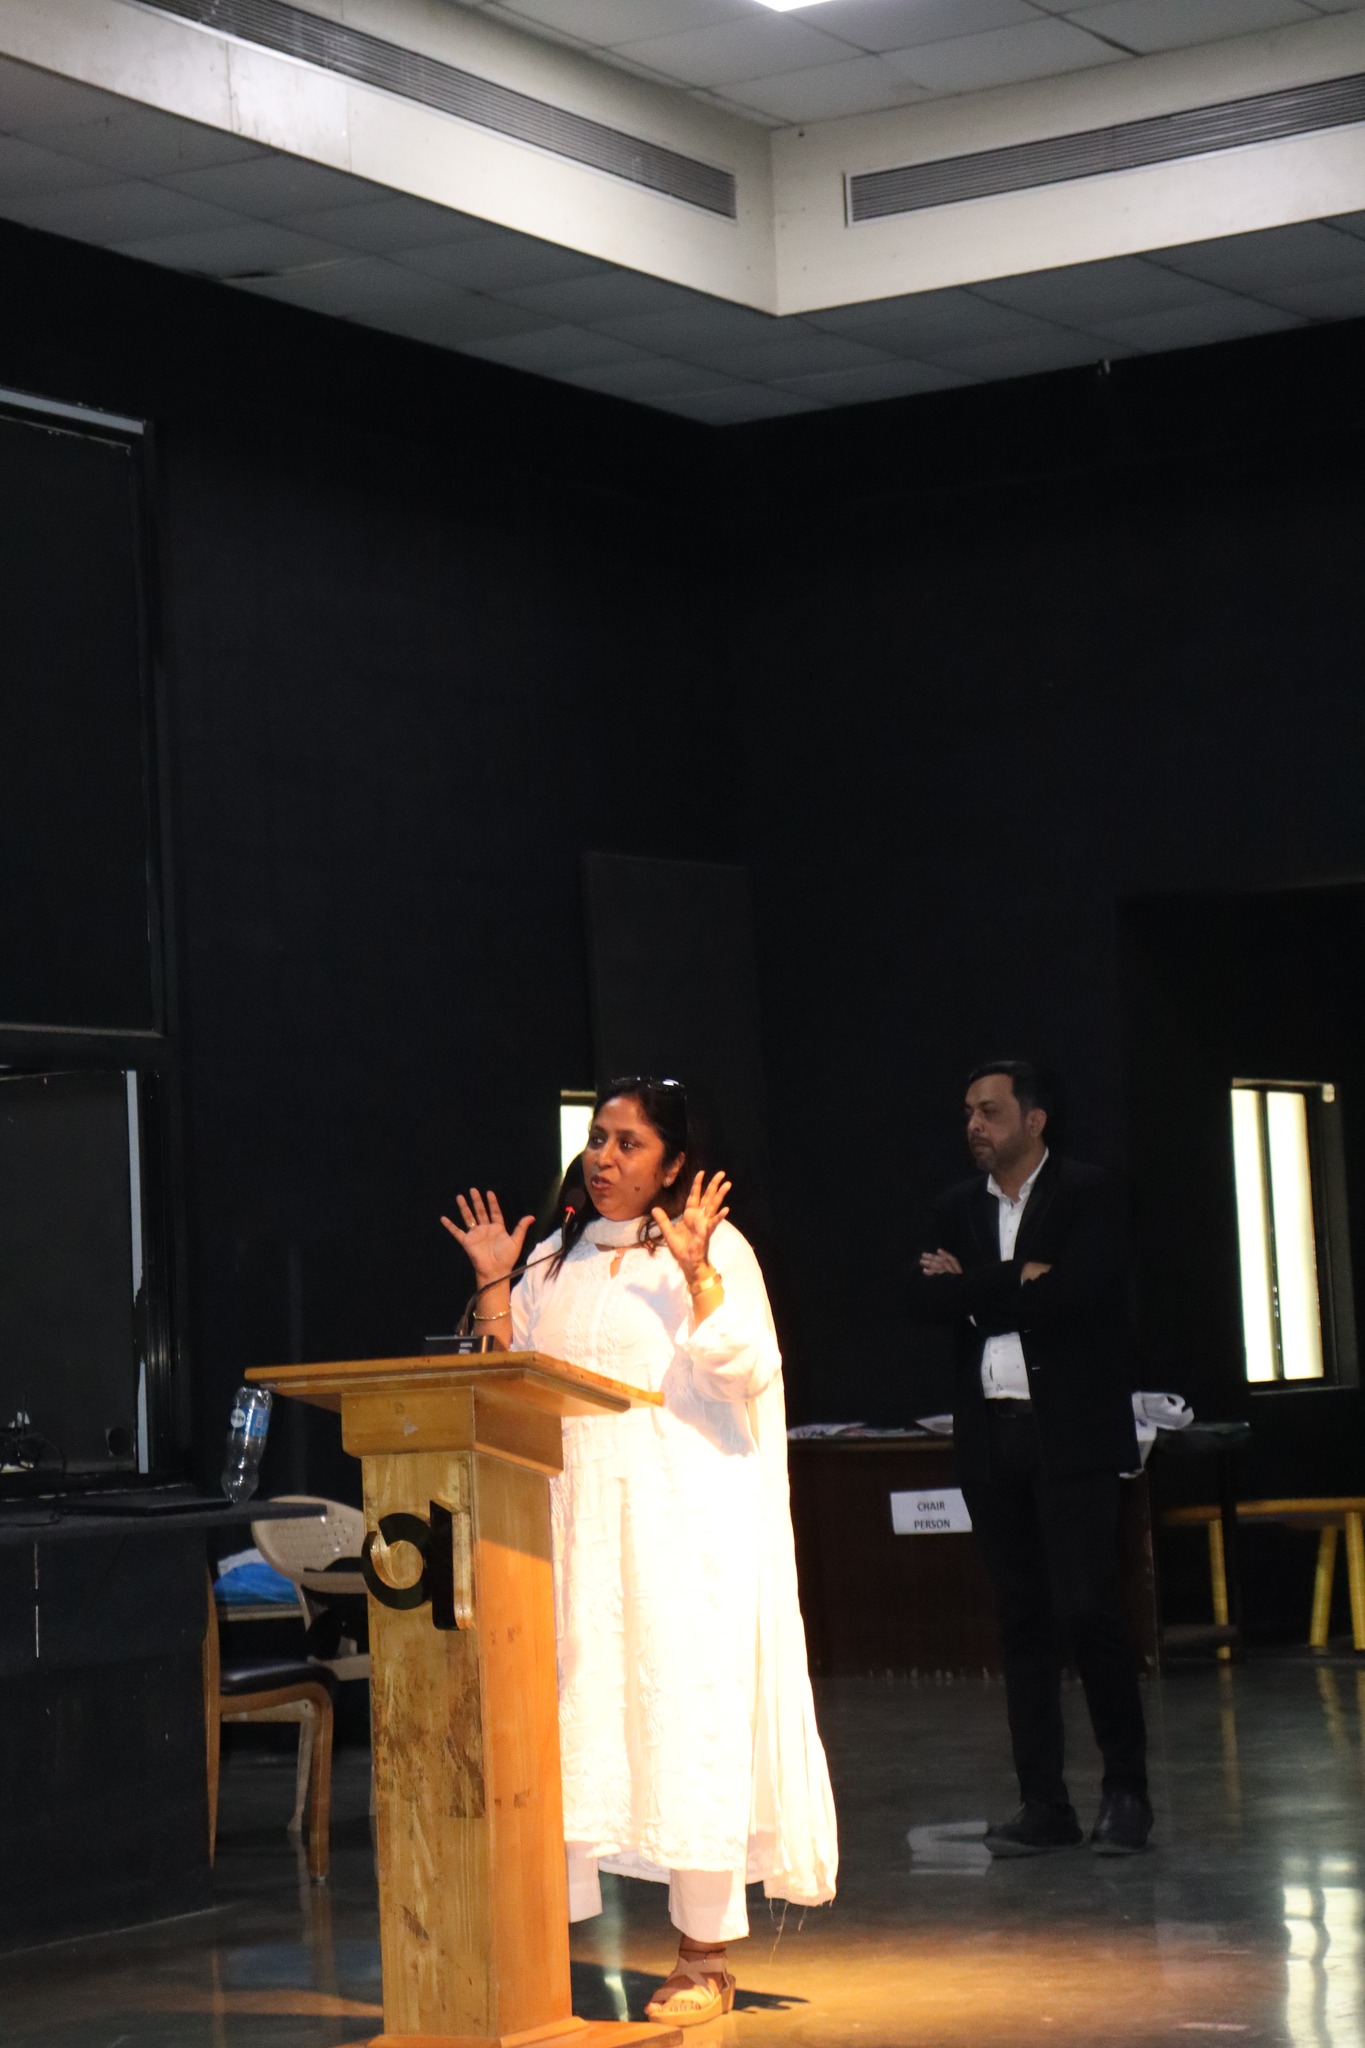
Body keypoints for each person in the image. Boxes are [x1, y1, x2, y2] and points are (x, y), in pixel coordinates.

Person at [442, 1076, 837, 2026]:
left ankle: (704, 1958)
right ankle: (540, 1949)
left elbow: (745, 1368)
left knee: (682, 1725)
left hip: (681, 1533)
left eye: (628, 1143)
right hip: (574, 1533)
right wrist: (495, 1282)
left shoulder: (714, 1249)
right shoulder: (555, 1257)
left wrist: (697, 1272)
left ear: (672, 1163)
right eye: (596, 1139)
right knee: (575, 1728)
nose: (603, 1158)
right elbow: (501, 1379)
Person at [906, 1060, 1151, 1858]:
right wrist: (1012, 1277)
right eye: (967, 1113)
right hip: (991, 1436)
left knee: (1089, 1610)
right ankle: (1043, 1804)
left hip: (1069, 1433)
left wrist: (974, 1290)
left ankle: (1126, 1794)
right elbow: (923, 1299)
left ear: (1033, 1120)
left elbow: (1076, 1295)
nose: (973, 1126)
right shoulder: (954, 1206)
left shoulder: (1089, 1193)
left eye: (989, 1111)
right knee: (1020, 1621)